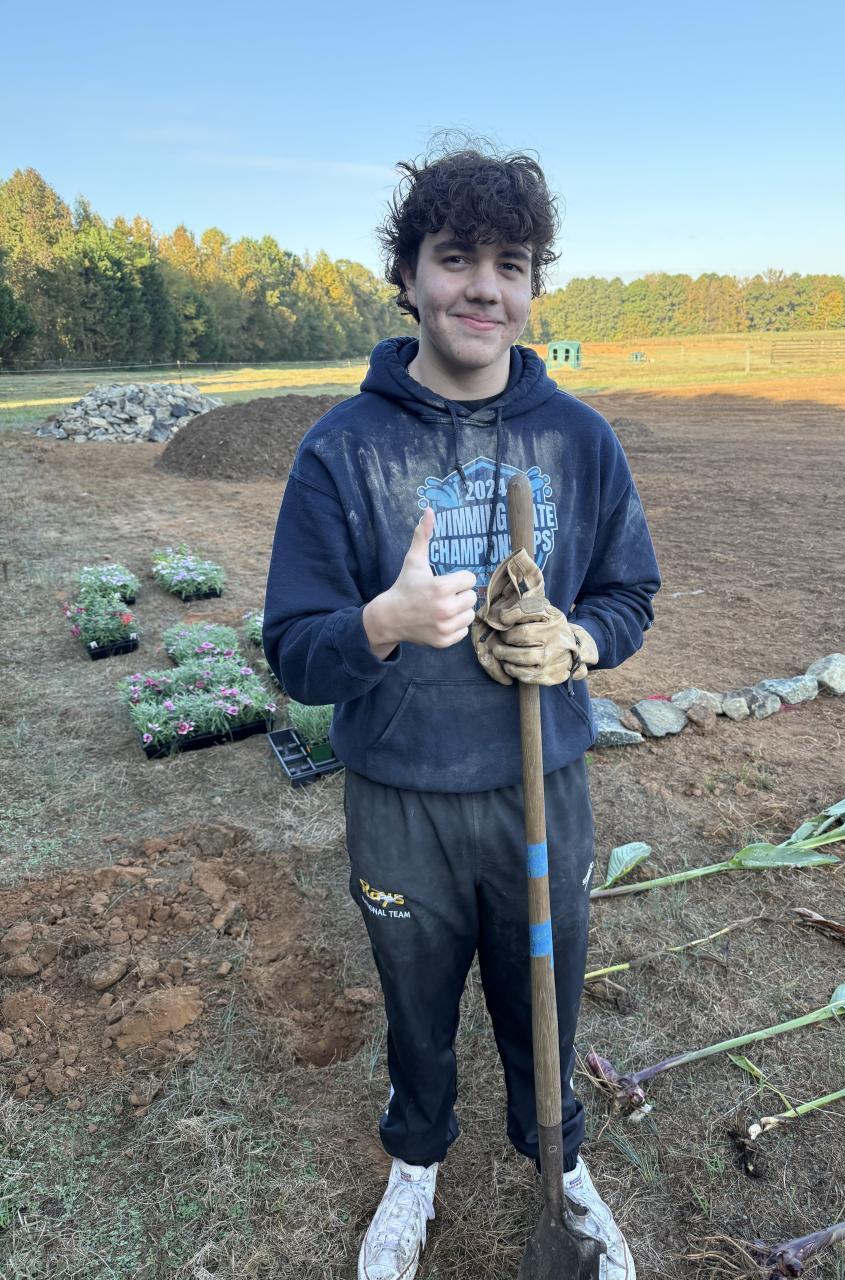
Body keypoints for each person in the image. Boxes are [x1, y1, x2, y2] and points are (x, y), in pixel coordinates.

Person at [263, 139, 661, 1280]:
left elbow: (631, 592)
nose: (484, 287)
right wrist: (380, 623)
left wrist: (578, 638)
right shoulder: (342, 452)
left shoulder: (578, 440)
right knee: (416, 993)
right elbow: (293, 652)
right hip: (402, 802)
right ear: (408, 276)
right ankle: (417, 1159)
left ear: (532, 288)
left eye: (511, 265)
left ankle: (558, 1161)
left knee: (547, 990)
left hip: (543, 790)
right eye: (455, 258)